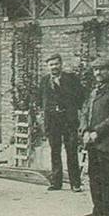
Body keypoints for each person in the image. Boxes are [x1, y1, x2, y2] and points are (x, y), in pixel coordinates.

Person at [81, 57, 109, 216]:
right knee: (94, 175)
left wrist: (97, 132)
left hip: (107, 141)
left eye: (102, 69)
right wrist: (85, 130)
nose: (98, 73)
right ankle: (98, 208)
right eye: (96, 70)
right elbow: (86, 113)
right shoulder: (94, 91)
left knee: (108, 176)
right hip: (92, 141)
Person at [41, 53, 86, 192]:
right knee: (55, 151)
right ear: (48, 67)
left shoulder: (71, 79)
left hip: (68, 121)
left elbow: (81, 96)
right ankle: (56, 182)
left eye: (56, 64)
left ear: (61, 64)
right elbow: (40, 99)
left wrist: (72, 110)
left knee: (71, 150)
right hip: (52, 121)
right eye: (51, 65)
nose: (54, 67)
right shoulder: (44, 81)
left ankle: (75, 183)